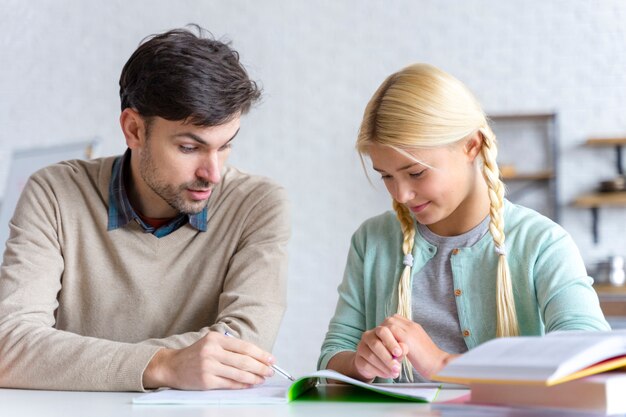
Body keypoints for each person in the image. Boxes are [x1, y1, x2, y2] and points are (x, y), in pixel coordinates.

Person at [0, 25, 290, 392]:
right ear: (134, 130)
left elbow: (244, 350)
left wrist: (65, 361)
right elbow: (9, 345)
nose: (212, 173)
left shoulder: (257, 205)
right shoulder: (55, 193)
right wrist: (163, 366)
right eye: (189, 147)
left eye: (225, 146)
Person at [318, 63, 610, 383]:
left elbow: (589, 357)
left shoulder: (542, 243)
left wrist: (441, 362)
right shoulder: (371, 240)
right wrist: (359, 363)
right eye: (386, 175)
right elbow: (333, 353)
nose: (401, 194)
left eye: (416, 172)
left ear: (472, 146)